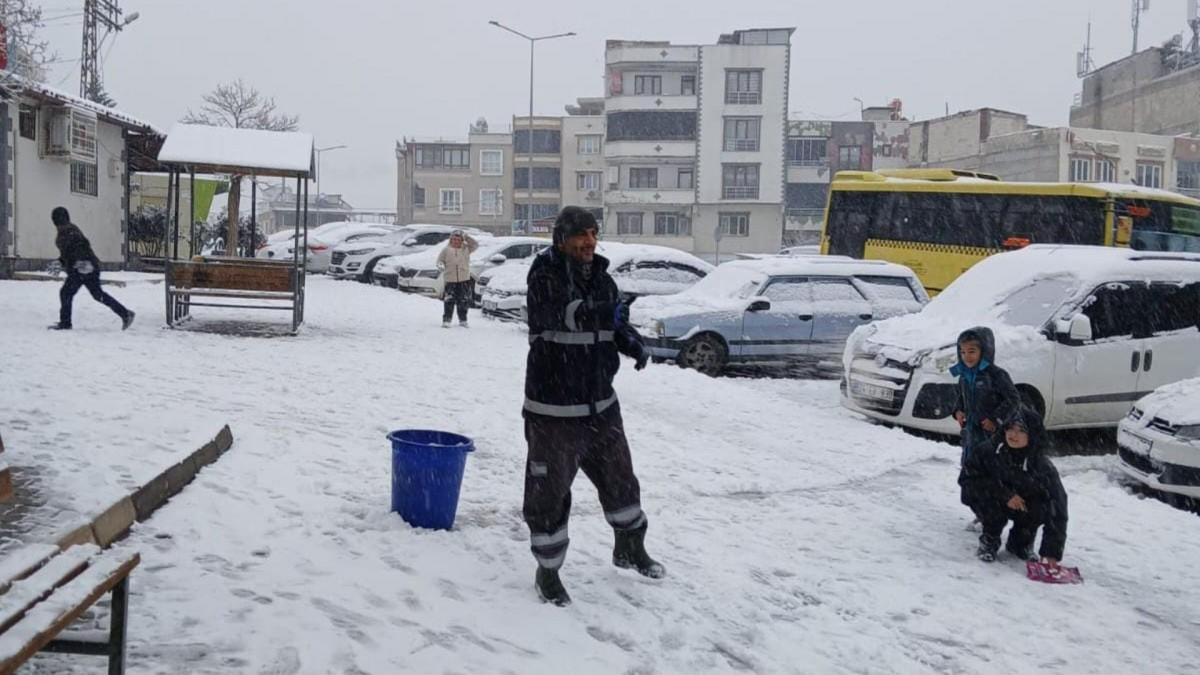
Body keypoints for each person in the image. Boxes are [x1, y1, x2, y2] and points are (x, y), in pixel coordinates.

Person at [522, 206, 659, 607]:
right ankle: (548, 572)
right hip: (554, 411)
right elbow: (561, 314)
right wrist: (603, 313)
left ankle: (629, 547)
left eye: (594, 234)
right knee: (549, 494)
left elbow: (610, 322)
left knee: (621, 481)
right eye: (581, 235)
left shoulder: (602, 277)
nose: (590, 243)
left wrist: (628, 338)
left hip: (601, 406)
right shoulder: (544, 276)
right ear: (561, 239)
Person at [967, 409, 1069, 565]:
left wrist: (1051, 552)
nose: (1013, 435)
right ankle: (989, 540)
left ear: (1032, 435)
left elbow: (1058, 506)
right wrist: (1004, 495)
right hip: (992, 497)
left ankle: (1021, 543)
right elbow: (969, 479)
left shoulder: (1042, 465)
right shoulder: (987, 451)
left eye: (1021, 431)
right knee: (989, 501)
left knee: (1042, 505)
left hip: (1021, 503)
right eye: (1010, 428)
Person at [950, 326, 1020, 510]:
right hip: (970, 435)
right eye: (962, 352)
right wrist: (958, 411)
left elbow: (1013, 399)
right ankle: (979, 510)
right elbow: (961, 397)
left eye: (972, 351)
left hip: (989, 437)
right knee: (968, 474)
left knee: (987, 474)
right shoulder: (964, 375)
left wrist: (996, 420)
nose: (967, 356)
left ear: (984, 351)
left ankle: (990, 515)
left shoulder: (996, 375)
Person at [49, 207, 134, 331]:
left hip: (83, 268)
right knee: (97, 294)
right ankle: (125, 314)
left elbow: (81, 246)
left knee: (66, 293)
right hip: (86, 267)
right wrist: (61, 262)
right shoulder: (69, 230)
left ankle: (65, 323)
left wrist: (82, 262)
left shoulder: (69, 231)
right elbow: (69, 253)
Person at [437, 229, 478, 328]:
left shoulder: (466, 249)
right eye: (454, 239)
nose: (456, 241)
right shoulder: (446, 250)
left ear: (461, 240)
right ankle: (447, 320)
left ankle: (463, 320)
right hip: (450, 279)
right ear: (451, 240)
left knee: (463, 300)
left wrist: (466, 237)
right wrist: (441, 266)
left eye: (458, 239)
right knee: (449, 300)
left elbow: (475, 245)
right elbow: (439, 261)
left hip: (463, 279)